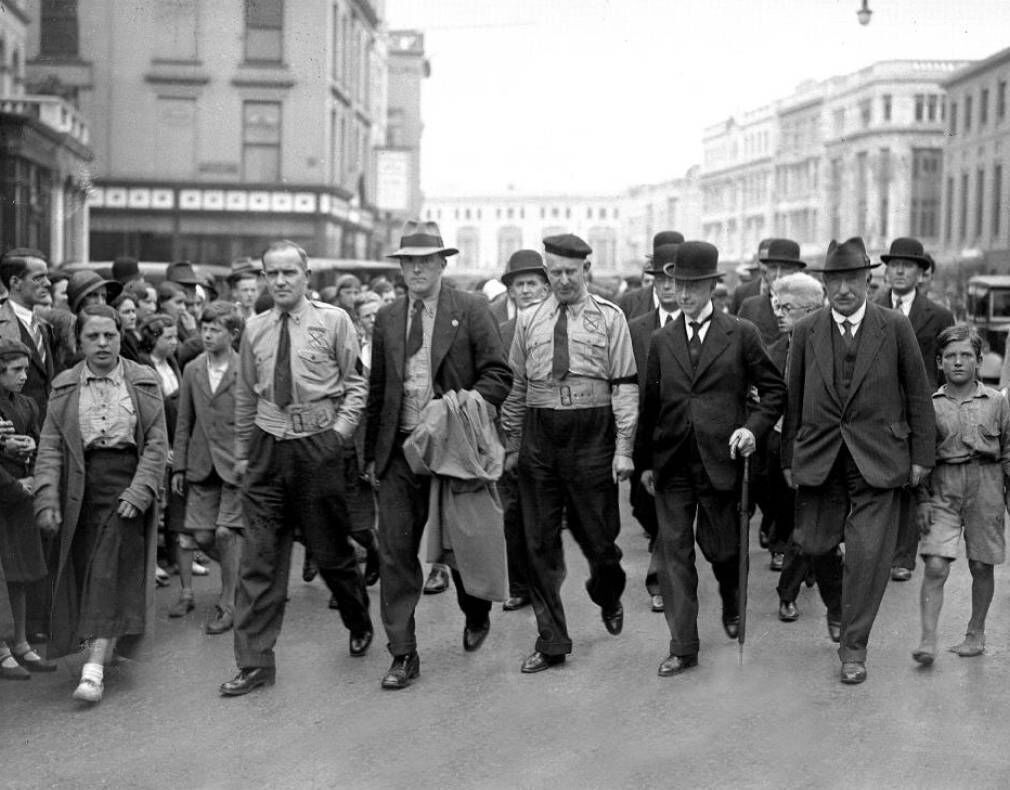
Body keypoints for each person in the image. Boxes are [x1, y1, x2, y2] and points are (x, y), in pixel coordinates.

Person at [220, 240, 372, 697]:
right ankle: (254, 662)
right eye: (272, 273)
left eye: (289, 272)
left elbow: (356, 383)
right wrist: (244, 451)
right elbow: (246, 393)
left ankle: (357, 616)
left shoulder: (334, 321)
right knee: (259, 561)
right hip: (268, 450)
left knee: (329, 553)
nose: (280, 281)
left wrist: (339, 434)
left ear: (307, 276)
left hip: (317, 449)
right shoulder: (254, 329)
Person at [365, 220, 512, 690]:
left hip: (453, 449)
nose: (416, 270)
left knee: (465, 546)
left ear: (442, 264)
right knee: (395, 554)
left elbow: (498, 376)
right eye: (408, 262)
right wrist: (371, 454)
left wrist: (458, 410)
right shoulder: (388, 317)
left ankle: (476, 610)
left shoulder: (469, 309)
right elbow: (377, 390)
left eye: (425, 261)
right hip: (400, 452)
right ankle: (403, 653)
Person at [782, 237, 935, 685]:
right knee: (813, 545)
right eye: (835, 280)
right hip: (820, 456)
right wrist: (789, 454)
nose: (844, 289)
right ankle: (837, 607)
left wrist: (921, 455)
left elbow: (917, 393)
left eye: (852, 280)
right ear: (825, 284)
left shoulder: (894, 327)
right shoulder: (808, 330)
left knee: (868, 558)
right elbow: (794, 399)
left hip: (879, 457)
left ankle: (854, 648)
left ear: (869, 282)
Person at [636, 241, 785, 677]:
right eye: (678, 285)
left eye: (692, 286)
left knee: (723, 551)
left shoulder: (740, 333)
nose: (682, 294)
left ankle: (731, 601)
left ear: (711, 287)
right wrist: (644, 461)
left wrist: (751, 429)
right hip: (672, 464)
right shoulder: (662, 340)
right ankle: (683, 645)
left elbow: (774, 391)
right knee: (674, 555)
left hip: (722, 460)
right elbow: (651, 404)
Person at [502, 232, 636, 674]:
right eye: (554, 272)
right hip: (541, 435)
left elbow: (624, 386)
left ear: (586, 271)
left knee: (600, 541)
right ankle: (552, 639)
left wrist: (624, 450)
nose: (561, 280)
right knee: (537, 541)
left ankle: (608, 590)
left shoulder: (610, 318)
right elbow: (518, 386)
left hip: (591, 432)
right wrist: (513, 445)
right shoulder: (528, 320)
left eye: (570, 272)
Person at [34, 305, 168, 704]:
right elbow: (51, 446)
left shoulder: (143, 380)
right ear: (80, 340)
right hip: (81, 487)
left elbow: (158, 443)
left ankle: (93, 671)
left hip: (126, 484)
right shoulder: (63, 386)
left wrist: (140, 491)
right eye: (93, 336)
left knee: (108, 570)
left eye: (110, 335)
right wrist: (46, 497)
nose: (103, 343)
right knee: (88, 567)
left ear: (120, 335)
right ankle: (103, 645)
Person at [913, 324, 1010, 664]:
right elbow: (920, 457)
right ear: (939, 362)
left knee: (982, 565)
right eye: (950, 356)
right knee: (936, 564)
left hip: (987, 484)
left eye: (966, 356)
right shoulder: (929, 405)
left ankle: (976, 631)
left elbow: (1008, 452)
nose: (958, 362)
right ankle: (927, 640)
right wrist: (922, 499)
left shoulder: (997, 402)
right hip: (944, 487)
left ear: (979, 361)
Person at [875, 237, 955, 583]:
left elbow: (945, 365)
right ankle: (877, 552)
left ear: (921, 273)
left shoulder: (938, 314)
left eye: (908, 265)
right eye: (894, 265)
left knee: (913, 480)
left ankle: (902, 556)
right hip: (878, 408)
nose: (899, 271)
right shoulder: (871, 305)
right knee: (879, 479)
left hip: (918, 409)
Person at [767, 274, 843, 626]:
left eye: (787, 308)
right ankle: (809, 591)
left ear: (813, 309)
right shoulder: (773, 351)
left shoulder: (833, 344)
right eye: (776, 306)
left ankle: (790, 594)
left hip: (832, 450)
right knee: (805, 529)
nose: (779, 314)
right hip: (789, 451)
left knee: (811, 530)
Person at [171, 301, 245, 635]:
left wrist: (249, 460)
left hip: (236, 466)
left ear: (233, 334)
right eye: (205, 329)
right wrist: (179, 468)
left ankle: (228, 605)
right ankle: (245, 576)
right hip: (201, 466)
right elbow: (185, 421)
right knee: (201, 535)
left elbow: (252, 419)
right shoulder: (192, 369)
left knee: (226, 533)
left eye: (216, 330)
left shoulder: (246, 369)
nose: (208, 335)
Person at [627, 242, 682, 614]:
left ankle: (661, 579)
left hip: (686, 435)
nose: (668, 285)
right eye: (660, 278)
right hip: (645, 436)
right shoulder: (635, 328)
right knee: (645, 507)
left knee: (672, 511)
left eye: (675, 278)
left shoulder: (710, 323)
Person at [497, 249, 551, 612]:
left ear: (546, 289)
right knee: (512, 513)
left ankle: (544, 583)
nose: (527, 290)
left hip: (550, 431)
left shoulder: (560, 327)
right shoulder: (500, 331)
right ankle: (518, 585)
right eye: (520, 285)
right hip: (509, 433)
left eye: (533, 283)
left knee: (544, 513)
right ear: (511, 292)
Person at [0, 339, 54, 679]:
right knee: (1, 576)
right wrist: (15, 484)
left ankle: (20, 641)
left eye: (25, 369)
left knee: (20, 574)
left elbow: (39, 439)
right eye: (16, 370)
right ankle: (2, 646)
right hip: (7, 493)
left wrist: (31, 450)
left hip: (20, 499)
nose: (23, 376)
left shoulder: (27, 404)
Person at [0, 249, 59, 416]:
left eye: (47, 277)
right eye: (38, 278)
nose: (48, 283)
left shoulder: (44, 326)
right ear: (15, 282)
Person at [618, 231, 684, 320]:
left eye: (672, 278)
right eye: (662, 258)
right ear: (653, 264)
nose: (667, 286)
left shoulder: (696, 303)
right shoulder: (630, 302)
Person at [112, 291, 141, 362]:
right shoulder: (117, 341)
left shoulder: (132, 337)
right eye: (127, 312)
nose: (133, 317)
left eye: (133, 311)